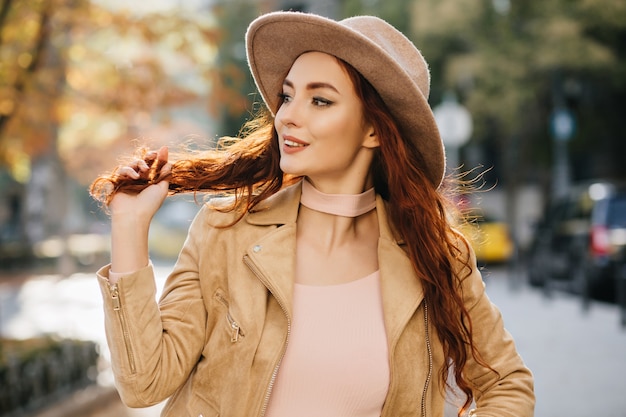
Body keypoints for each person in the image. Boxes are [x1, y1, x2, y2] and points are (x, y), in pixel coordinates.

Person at [90, 11, 534, 417]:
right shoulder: (224, 231)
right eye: (287, 97)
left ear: (375, 129)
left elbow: (507, 384)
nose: (287, 117)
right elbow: (144, 383)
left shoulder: (437, 257)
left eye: (320, 101)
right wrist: (129, 226)